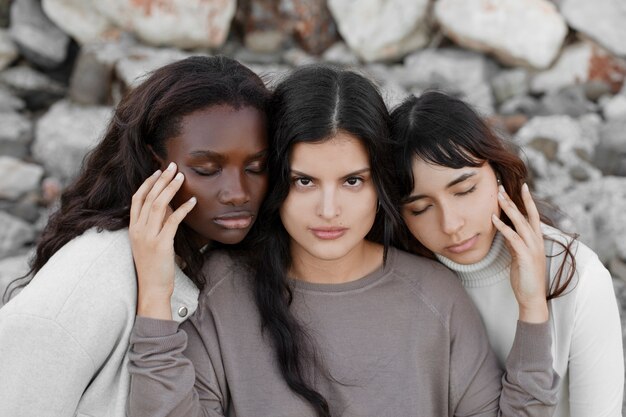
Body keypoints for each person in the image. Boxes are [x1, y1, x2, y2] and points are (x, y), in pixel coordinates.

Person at [127, 65, 559, 417]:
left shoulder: (435, 296)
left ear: (380, 186)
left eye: (353, 180)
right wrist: (155, 299)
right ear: (277, 179)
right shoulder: (223, 288)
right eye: (305, 181)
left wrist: (533, 310)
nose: (329, 210)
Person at [0, 55, 270, 417]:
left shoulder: (221, 255)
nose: (238, 192)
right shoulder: (85, 286)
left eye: (257, 167)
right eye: (207, 170)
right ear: (153, 161)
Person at [390, 90, 624, 417]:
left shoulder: (576, 274)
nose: (451, 224)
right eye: (420, 208)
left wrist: (532, 303)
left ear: (498, 173)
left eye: (465, 190)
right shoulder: (399, 280)